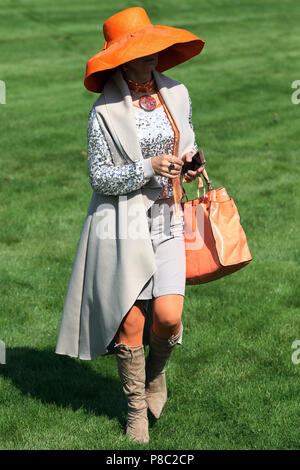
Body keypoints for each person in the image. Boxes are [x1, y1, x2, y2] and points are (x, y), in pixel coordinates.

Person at [55, 7, 205, 444]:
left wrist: (192, 164)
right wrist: (147, 167)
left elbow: (189, 141)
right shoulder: (103, 112)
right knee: (132, 326)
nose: (153, 57)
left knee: (168, 316)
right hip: (120, 226)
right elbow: (100, 177)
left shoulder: (176, 93)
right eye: (143, 52)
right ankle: (135, 413)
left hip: (169, 217)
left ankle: (155, 375)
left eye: (155, 49)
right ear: (122, 60)